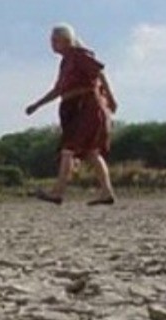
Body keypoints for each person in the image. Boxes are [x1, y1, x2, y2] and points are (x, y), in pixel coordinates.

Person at [26, 24, 118, 206]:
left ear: (66, 40)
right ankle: (107, 193)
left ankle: (57, 192)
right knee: (91, 152)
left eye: (55, 40)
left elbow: (99, 73)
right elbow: (58, 90)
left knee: (68, 149)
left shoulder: (79, 55)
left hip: (86, 106)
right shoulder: (66, 62)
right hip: (72, 107)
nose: (51, 44)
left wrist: (112, 99)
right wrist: (37, 105)